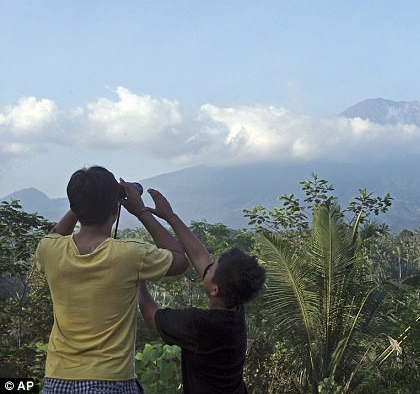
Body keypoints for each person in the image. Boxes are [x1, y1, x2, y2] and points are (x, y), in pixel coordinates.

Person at [35, 166, 189, 393]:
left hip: (57, 380)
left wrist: (81, 204)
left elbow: (55, 234)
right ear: (116, 209)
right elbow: (179, 260)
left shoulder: (49, 249)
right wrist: (141, 212)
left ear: (74, 206)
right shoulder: (130, 255)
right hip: (111, 381)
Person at [137, 188, 266, 394]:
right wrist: (170, 216)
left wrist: (138, 275)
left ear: (215, 289)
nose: (209, 264)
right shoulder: (234, 308)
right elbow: (199, 256)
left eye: (214, 266)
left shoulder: (200, 325)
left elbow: (151, 315)